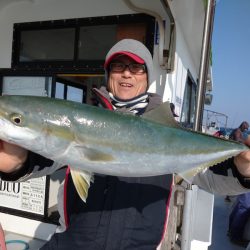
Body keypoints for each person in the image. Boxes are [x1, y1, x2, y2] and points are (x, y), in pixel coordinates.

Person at [1, 39, 250, 250]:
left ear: (147, 76)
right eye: (118, 67)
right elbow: (43, 157)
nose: (127, 73)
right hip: (74, 243)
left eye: (136, 68)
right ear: (109, 75)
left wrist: (243, 169)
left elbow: (213, 178)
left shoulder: (167, 128)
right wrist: (17, 163)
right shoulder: (82, 119)